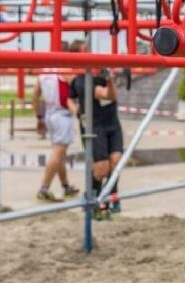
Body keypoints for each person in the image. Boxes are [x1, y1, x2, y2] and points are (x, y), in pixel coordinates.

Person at [67, 40, 123, 219]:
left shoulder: (98, 73)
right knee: (101, 168)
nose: (91, 53)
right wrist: (77, 111)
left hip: (112, 123)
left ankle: (110, 198)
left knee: (116, 162)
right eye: (86, 51)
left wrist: (111, 76)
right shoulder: (82, 81)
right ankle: (92, 198)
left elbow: (113, 95)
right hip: (94, 126)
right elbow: (107, 94)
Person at [32, 62, 80, 202]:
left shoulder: (43, 73)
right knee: (58, 152)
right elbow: (79, 86)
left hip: (49, 114)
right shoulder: (65, 70)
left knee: (60, 154)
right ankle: (44, 189)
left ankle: (66, 186)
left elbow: (35, 96)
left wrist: (39, 117)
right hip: (62, 115)